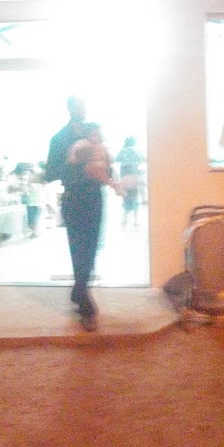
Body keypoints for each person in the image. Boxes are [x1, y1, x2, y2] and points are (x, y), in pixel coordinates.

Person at [45, 96, 105, 331]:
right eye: (78, 105)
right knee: (78, 247)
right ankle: (85, 300)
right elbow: (50, 173)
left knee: (92, 245)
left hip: (95, 195)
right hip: (73, 196)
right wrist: (74, 163)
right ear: (69, 108)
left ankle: (79, 289)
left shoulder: (93, 133)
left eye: (84, 105)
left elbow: (106, 162)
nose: (83, 109)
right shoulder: (59, 138)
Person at [115, 136, 145, 228]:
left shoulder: (123, 151)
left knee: (126, 199)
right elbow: (143, 159)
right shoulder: (137, 150)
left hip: (124, 179)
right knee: (135, 199)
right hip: (134, 178)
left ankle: (124, 220)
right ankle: (135, 221)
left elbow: (116, 159)